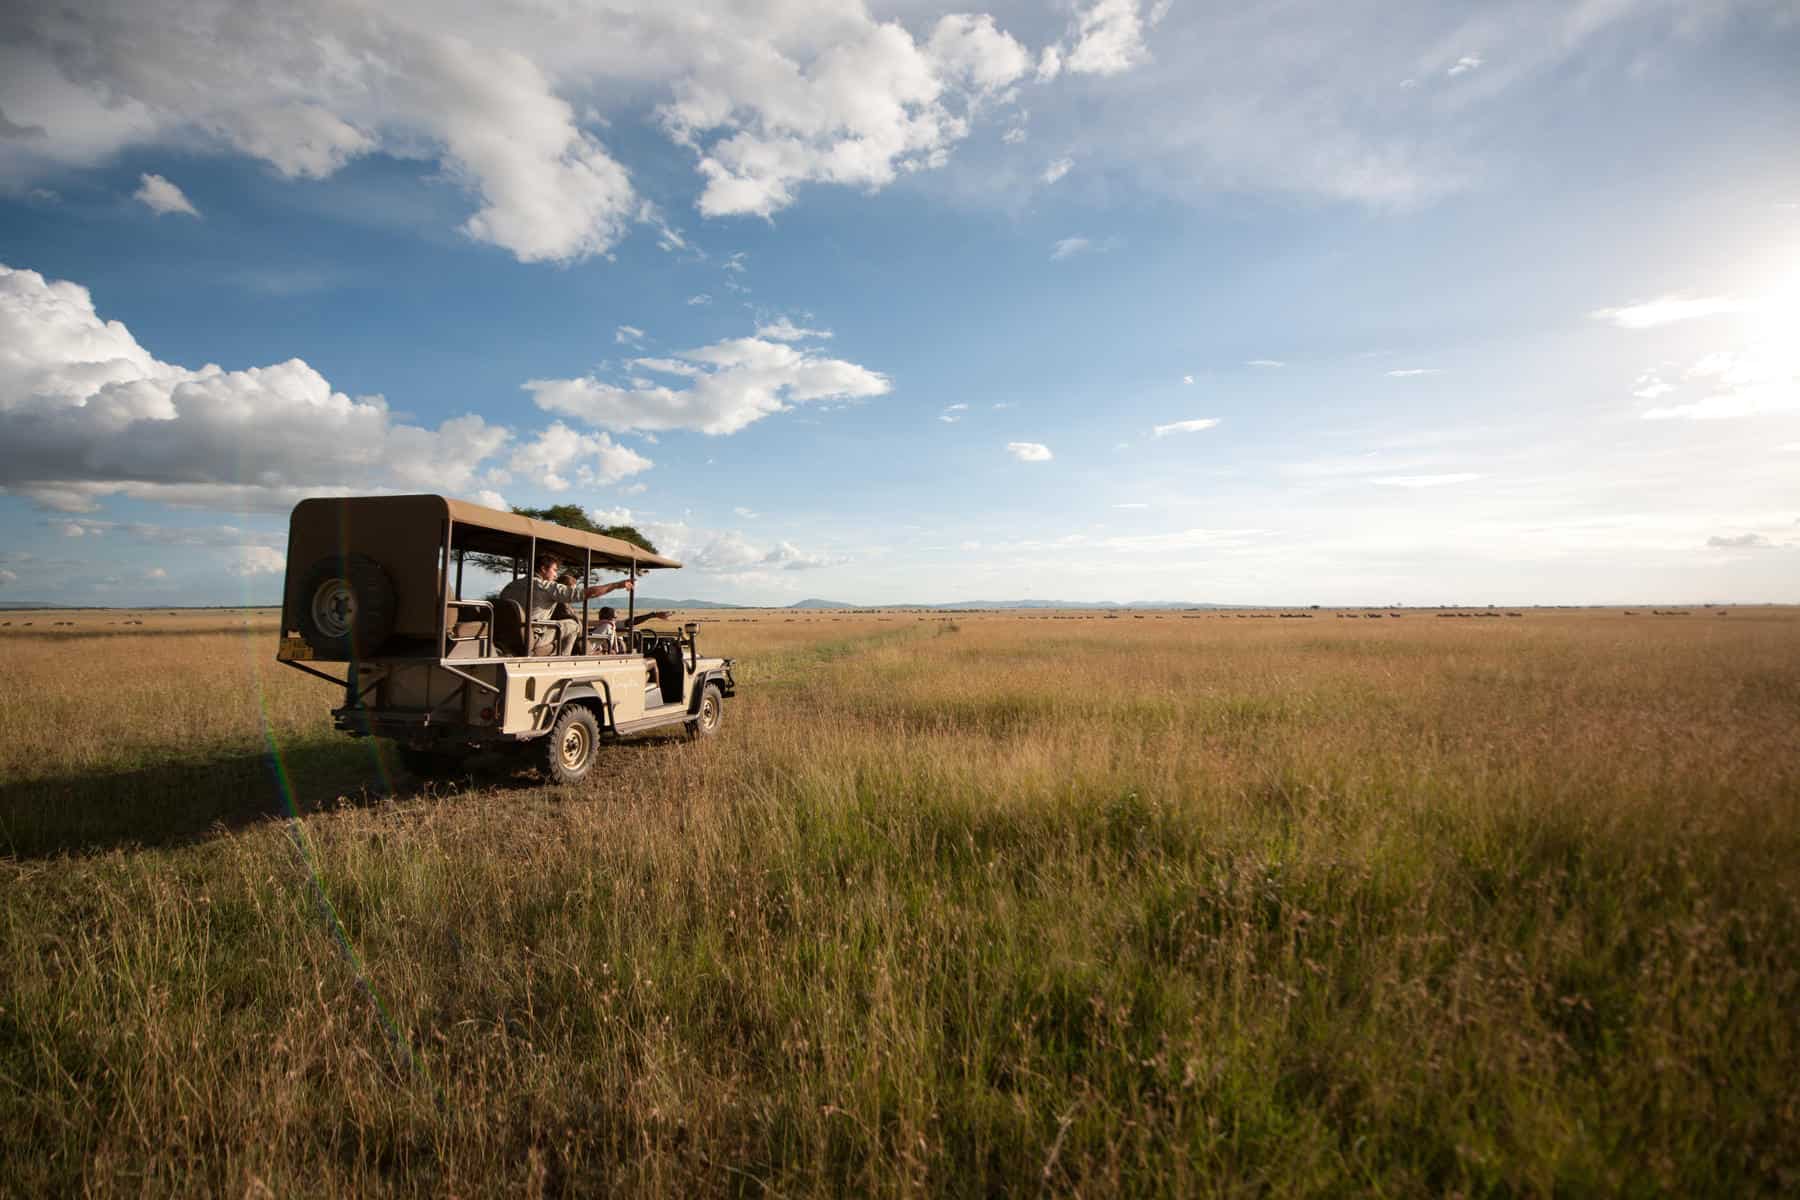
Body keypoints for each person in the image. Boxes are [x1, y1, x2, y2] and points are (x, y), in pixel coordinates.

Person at [499, 554, 633, 655]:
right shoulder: (545, 587)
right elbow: (588, 593)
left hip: (506, 637)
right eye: (554, 570)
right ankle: (563, 660)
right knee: (572, 625)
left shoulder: (510, 586)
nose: (556, 575)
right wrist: (616, 585)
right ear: (543, 569)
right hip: (532, 636)